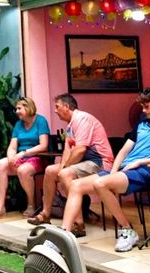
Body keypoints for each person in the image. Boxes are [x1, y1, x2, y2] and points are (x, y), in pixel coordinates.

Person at [60, 87, 150, 252]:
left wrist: (140, 162)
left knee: (101, 184)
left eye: (146, 107)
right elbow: (124, 151)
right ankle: (63, 235)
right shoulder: (140, 125)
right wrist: (114, 171)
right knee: (75, 186)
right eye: (142, 108)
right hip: (125, 169)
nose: (144, 111)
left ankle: (127, 230)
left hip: (145, 171)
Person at [27, 94, 113, 237]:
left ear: (67, 107)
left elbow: (80, 150)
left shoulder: (82, 119)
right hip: (85, 162)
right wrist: (61, 168)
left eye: (57, 107)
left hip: (100, 163)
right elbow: (68, 149)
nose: (55, 110)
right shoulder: (70, 125)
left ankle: (78, 224)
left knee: (66, 174)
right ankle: (45, 214)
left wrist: (65, 170)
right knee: (50, 171)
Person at [0, 96, 50, 221]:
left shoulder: (41, 121)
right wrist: (11, 156)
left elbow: (43, 145)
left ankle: (31, 204)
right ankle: (0, 207)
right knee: (1, 164)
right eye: (16, 109)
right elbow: (12, 146)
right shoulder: (18, 124)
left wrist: (23, 153)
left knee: (23, 170)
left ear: (28, 108)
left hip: (37, 157)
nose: (16, 111)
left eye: (19, 108)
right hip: (21, 157)